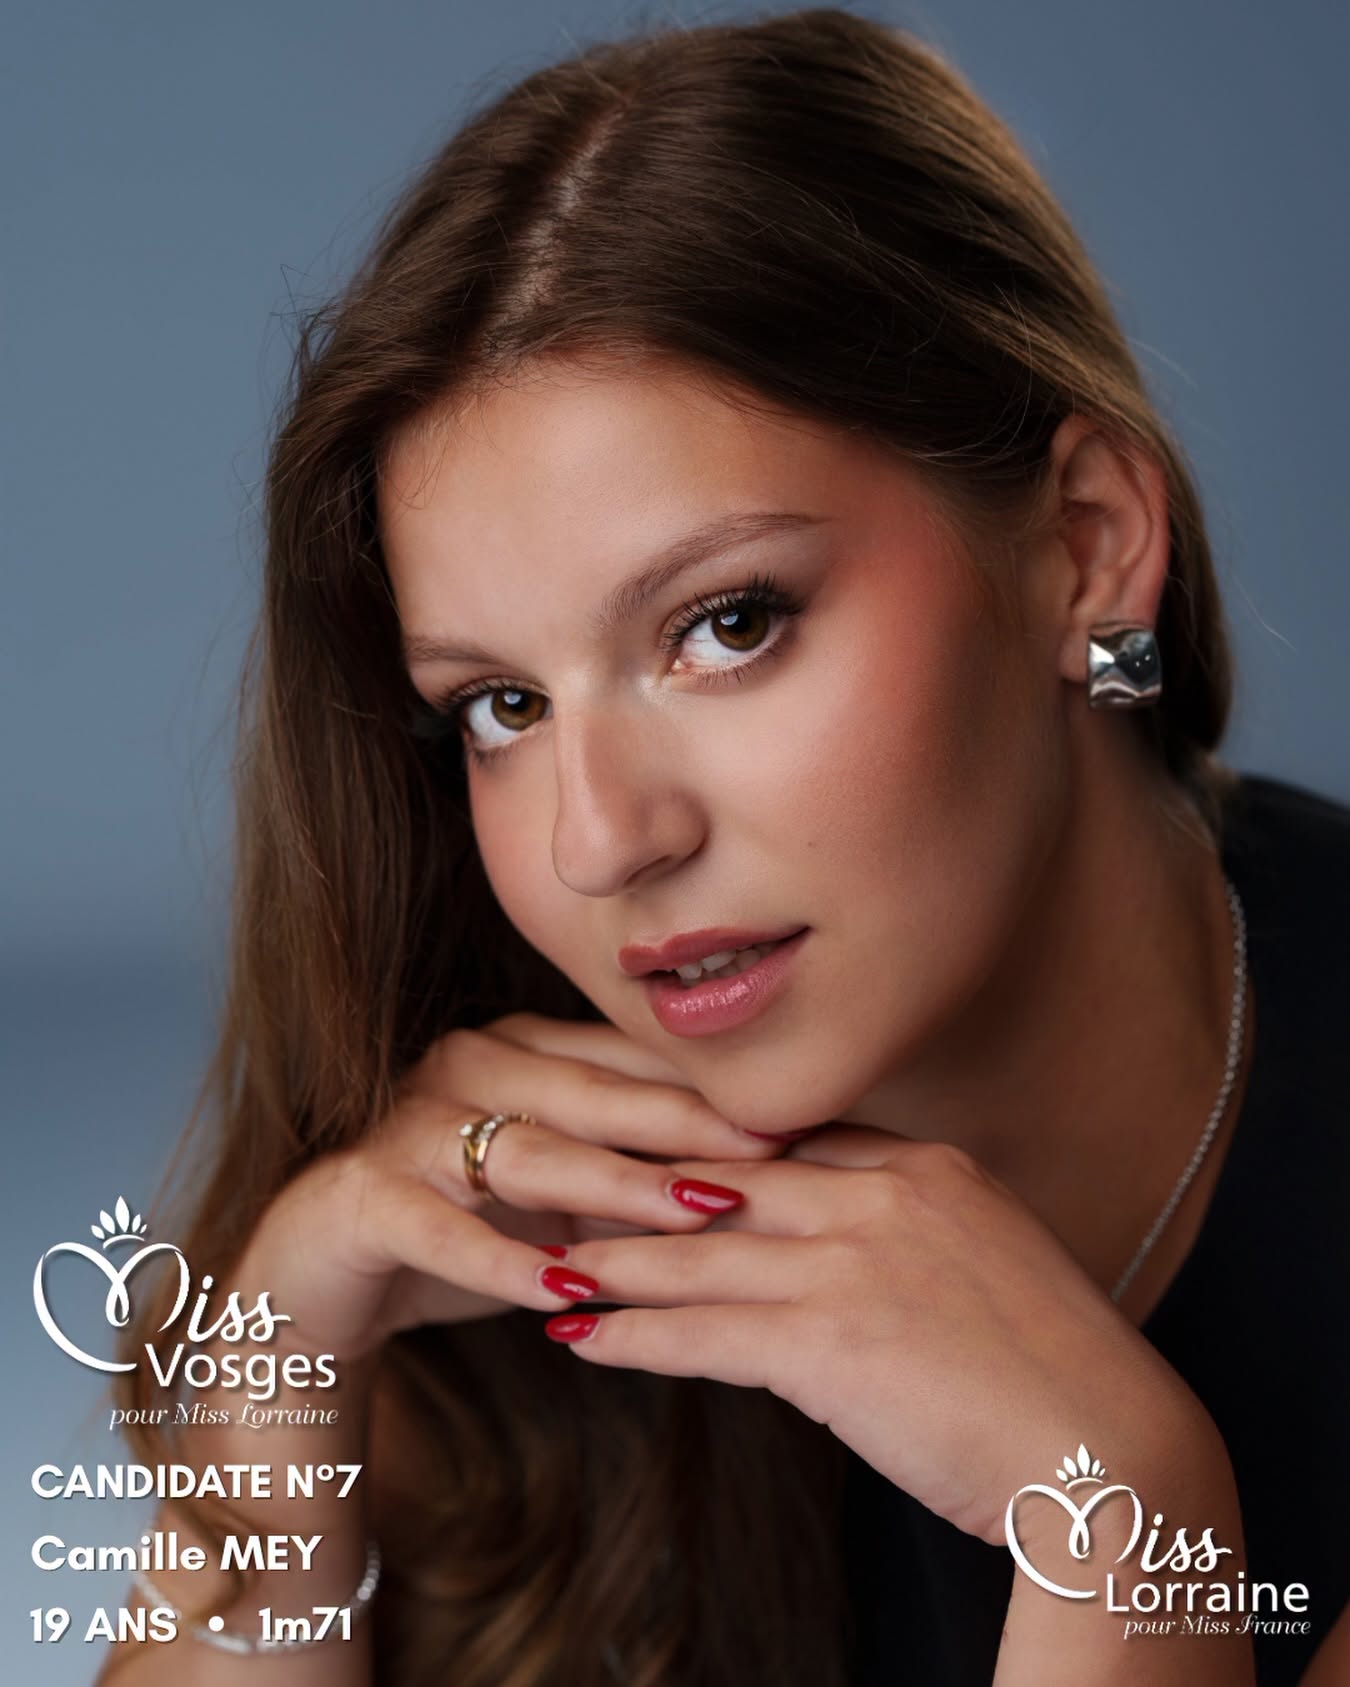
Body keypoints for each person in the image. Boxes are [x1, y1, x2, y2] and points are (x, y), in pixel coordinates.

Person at [101, 8, 1349, 1685]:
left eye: (727, 623)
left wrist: (1126, 1533)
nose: (600, 842)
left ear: (1081, 546)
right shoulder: (517, 1253)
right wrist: (281, 1371)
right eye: (499, 707)